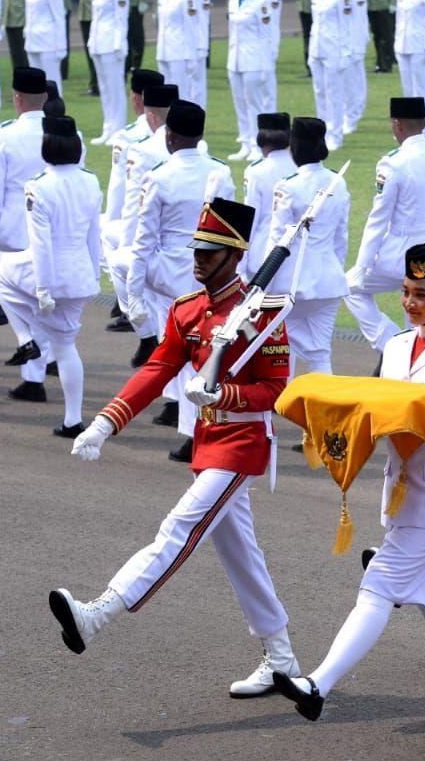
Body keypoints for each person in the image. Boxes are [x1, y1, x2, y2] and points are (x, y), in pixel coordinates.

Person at [49, 197, 302, 700]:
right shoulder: (188, 311)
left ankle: (99, 612)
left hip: (243, 443)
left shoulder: (264, 314)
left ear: (236, 254)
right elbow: (156, 370)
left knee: (178, 528)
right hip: (209, 443)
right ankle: (282, 657)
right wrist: (105, 422)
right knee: (241, 557)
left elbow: (277, 391)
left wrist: (224, 393)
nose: (198, 258)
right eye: (198, 249)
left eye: (211, 251)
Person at [272, 244, 425, 738]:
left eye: (422, 294)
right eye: (407, 292)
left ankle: (318, 684)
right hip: (401, 490)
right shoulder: (394, 347)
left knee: (378, 588)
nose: (411, 303)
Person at [126, 99, 236, 463]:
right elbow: (231, 234)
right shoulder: (220, 171)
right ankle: (198, 426)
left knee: (186, 357)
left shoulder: (158, 176)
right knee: (207, 356)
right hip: (214, 274)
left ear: (169, 136)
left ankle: (193, 433)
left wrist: (133, 293)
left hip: (172, 277)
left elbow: (143, 240)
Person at [0, 116, 102, 436]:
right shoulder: (90, 179)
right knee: (65, 345)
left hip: (51, 271)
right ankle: (72, 419)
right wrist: (94, 274)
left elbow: (40, 243)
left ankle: (26, 339)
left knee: (1, 274)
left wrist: (42, 288)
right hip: (80, 273)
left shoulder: (39, 185)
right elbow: (93, 234)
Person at [343, 96, 425, 356]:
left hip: (399, 253)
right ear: (424, 123)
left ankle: (393, 343)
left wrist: (362, 265)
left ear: (397, 125)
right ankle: (409, 349)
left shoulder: (393, 161)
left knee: (348, 286)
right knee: (420, 310)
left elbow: (378, 216)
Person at [0, 67, 51, 402]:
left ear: (16, 98)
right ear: (46, 98)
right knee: (41, 301)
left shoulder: (4, 134)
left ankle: (32, 364)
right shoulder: (63, 132)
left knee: (15, 296)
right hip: (48, 231)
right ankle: (35, 372)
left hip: (11, 230)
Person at [264, 116, 351, 377]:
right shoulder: (338, 182)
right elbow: (341, 238)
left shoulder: (287, 186)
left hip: (290, 282)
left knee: (282, 350)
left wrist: (262, 283)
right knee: (320, 354)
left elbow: (277, 240)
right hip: (328, 280)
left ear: (294, 146)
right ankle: (324, 415)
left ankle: (281, 410)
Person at [102, 67, 165, 332]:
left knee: (106, 233)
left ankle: (126, 300)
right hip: (170, 226)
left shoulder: (127, 136)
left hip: (139, 221)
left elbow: (120, 191)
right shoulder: (181, 133)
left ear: (136, 98)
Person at [227, 0, 277, 162]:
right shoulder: (233, 1)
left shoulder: (261, 1)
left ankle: (259, 144)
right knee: (240, 102)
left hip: (255, 59)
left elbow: (267, 35)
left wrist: (267, 63)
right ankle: (245, 143)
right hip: (236, 58)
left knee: (254, 103)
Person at [242, 111, 297, 264]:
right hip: (297, 251)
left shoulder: (255, 171)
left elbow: (250, 217)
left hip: (262, 252)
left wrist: (240, 261)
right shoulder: (299, 166)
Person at [87, 0, 128, 144]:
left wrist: (119, 44)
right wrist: (90, 41)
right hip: (98, 42)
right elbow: (95, 18)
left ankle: (118, 129)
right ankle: (108, 127)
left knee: (115, 87)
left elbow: (122, 19)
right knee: (104, 87)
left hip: (112, 43)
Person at [308, 0, 349, 150]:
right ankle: (321, 132)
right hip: (317, 48)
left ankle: (335, 134)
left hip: (334, 49)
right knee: (320, 92)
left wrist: (346, 53)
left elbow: (346, 26)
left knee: (334, 93)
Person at [334, 0, 369, 131]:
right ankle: (345, 114)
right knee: (342, 81)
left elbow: (357, 17)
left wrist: (357, 42)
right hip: (338, 41)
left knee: (354, 80)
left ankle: (353, 116)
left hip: (353, 39)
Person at [25, 0, 68, 90]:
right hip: (32, 41)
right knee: (35, 86)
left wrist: (61, 47)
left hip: (48, 44)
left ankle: (55, 112)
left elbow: (59, 18)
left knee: (51, 83)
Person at [155, 0, 198, 100]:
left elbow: (191, 28)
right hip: (164, 50)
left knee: (180, 91)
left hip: (179, 51)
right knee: (165, 91)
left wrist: (191, 57)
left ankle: (183, 121)